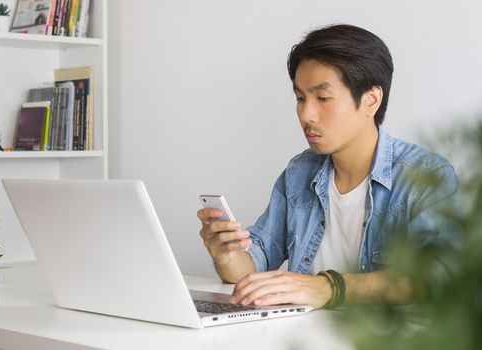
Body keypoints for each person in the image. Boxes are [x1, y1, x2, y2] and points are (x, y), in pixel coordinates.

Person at [197, 24, 461, 309]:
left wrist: (328, 287)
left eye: (323, 98)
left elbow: (437, 277)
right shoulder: (299, 172)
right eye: (300, 98)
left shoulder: (426, 176)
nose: (306, 114)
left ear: (371, 100)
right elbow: (255, 262)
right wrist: (227, 255)